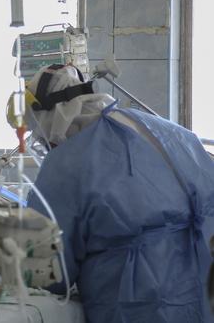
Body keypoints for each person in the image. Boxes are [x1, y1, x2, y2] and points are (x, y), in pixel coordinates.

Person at [24, 64, 214, 322]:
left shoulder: (68, 162)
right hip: (202, 292)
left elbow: (45, 271)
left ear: (48, 117)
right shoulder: (168, 131)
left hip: (136, 302)